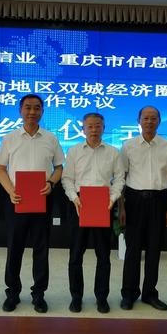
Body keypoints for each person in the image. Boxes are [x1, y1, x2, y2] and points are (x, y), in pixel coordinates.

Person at [0, 94, 64, 313]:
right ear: (20, 111)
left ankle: (39, 294)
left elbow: (59, 168)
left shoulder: (51, 138)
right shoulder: (10, 138)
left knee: (41, 249)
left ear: (42, 111)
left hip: (42, 199)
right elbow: (0, 169)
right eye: (28, 108)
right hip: (16, 199)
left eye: (36, 108)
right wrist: (11, 190)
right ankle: (12, 293)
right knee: (14, 248)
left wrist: (51, 183)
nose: (32, 112)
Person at [61, 113, 125, 314]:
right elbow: (67, 179)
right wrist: (74, 197)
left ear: (104, 128)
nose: (94, 129)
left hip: (103, 203)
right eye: (90, 126)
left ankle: (101, 298)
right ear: (83, 129)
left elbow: (120, 178)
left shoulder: (113, 152)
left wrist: (112, 198)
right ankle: (76, 297)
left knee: (103, 255)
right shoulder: (74, 151)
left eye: (98, 125)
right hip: (79, 203)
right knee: (75, 255)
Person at [118, 106, 167, 311]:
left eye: (154, 118)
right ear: (139, 120)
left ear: (159, 121)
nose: (149, 122)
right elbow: (121, 177)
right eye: (145, 118)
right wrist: (122, 207)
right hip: (134, 200)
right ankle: (129, 294)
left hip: (159, 201)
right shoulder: (128, 146)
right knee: (132, 250)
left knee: (154, 249)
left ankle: (149, 294)